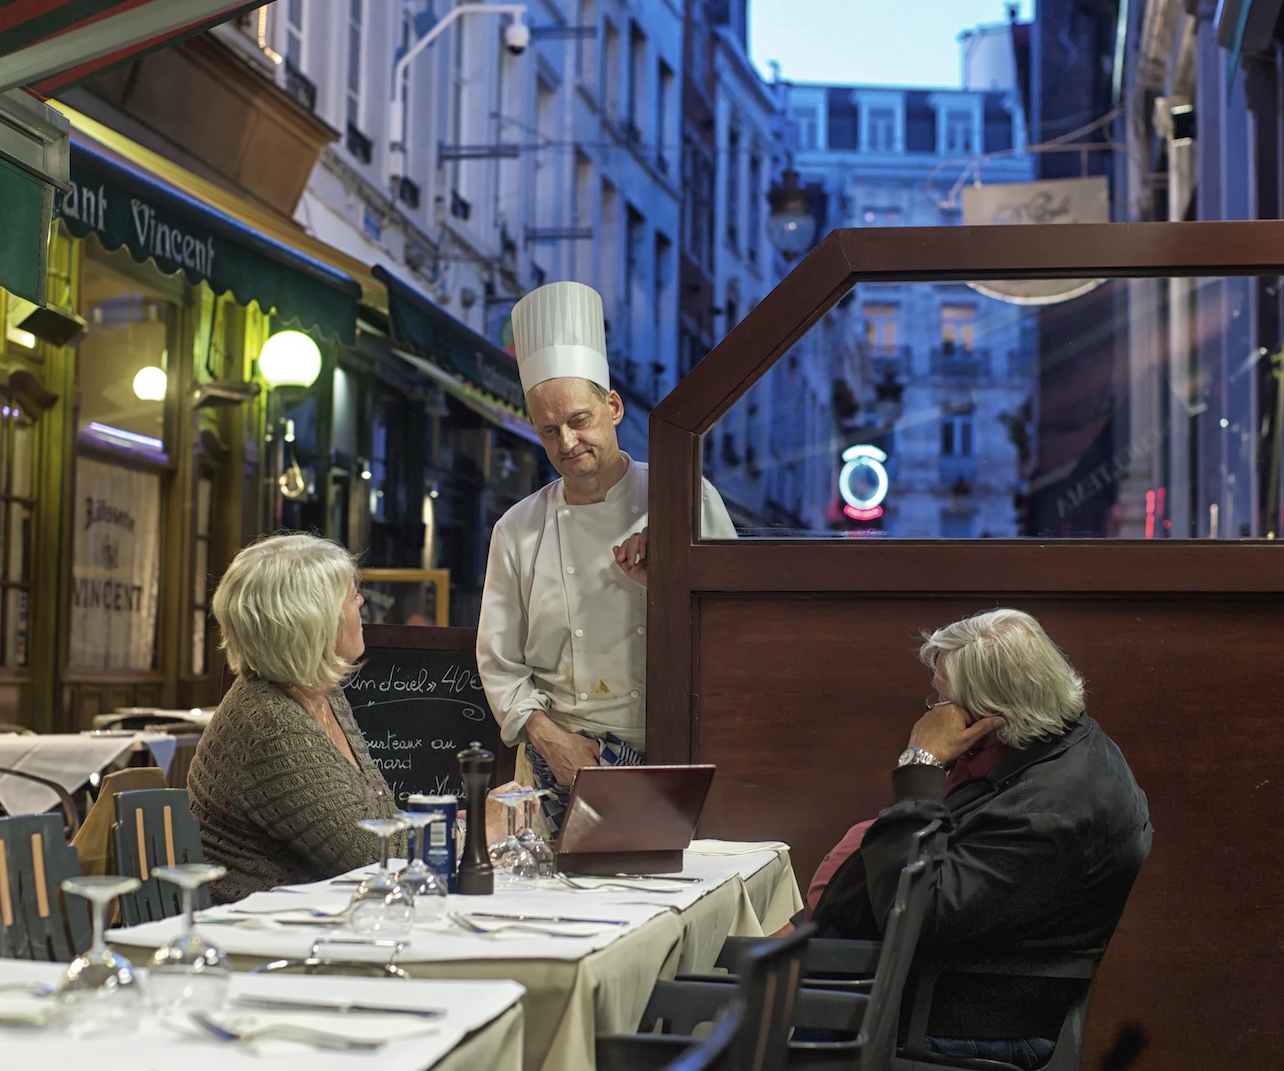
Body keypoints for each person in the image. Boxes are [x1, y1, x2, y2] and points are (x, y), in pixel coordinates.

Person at [811, 608, 1151, 1069]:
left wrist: (920, 765)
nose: (934, 714)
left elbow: (914, 916)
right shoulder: (1055, 741)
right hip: (945, 988)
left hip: (954, 1017)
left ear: (989, 714)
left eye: (942, 701)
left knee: (743, 1018)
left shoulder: (1049, 813)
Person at [477, 281, 736, 830]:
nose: (566, 443)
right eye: (549, 431)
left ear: (613, 407)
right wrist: (551, 741)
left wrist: (669, 581)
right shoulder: (517, 529)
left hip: (671, 755)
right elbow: (499, 664)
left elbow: (733, 630)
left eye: (578, 421)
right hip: (555, 764)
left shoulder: (683, 500)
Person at [188, 533, 397, 902]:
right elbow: (370, 855)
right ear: (313, 621)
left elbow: (383, 815)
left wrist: (457, 826)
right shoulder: (271, 725)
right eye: (350, 596)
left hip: (312, 914)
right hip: (249, 927)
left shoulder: (322, 694)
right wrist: (472, 830)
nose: (361, 601)